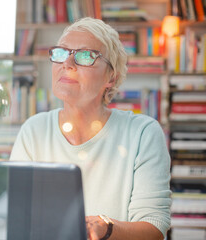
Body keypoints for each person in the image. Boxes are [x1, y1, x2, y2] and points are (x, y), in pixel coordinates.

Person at [9, 17, 171, 240]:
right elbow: (18, 216)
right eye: (61, 53)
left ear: (111, 77)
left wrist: (106, 228)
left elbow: (153, 228)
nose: (68, 64)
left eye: (85, 56)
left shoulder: (143, 133)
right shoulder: (34, 130)